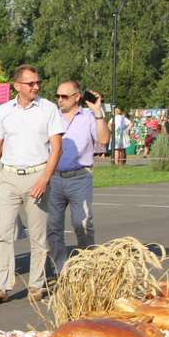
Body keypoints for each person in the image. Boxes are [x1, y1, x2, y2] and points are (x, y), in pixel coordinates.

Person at [0, 65, 64, 304]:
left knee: (38, 236)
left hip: (37, 175)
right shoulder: (5, 110)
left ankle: (36, 285)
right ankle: (2, 286)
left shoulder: (48, 109)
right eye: (31, 83)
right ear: (17, 85)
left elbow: (57, 148)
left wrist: (45, 178)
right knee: (4, 233)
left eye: (38, 82)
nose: (36, 87)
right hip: (8, 177)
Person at [47, 82, 109, 276]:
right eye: (58, 95)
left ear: (77, 97)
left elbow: (104, 139)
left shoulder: (89, 116)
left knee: (82, 223)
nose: (59, 100)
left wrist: (98, 112)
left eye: (64, 96)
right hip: (54, 178)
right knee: (53, 227)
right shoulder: (52, 116)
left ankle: (87, 265)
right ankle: (61, 270)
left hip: (80, 177)